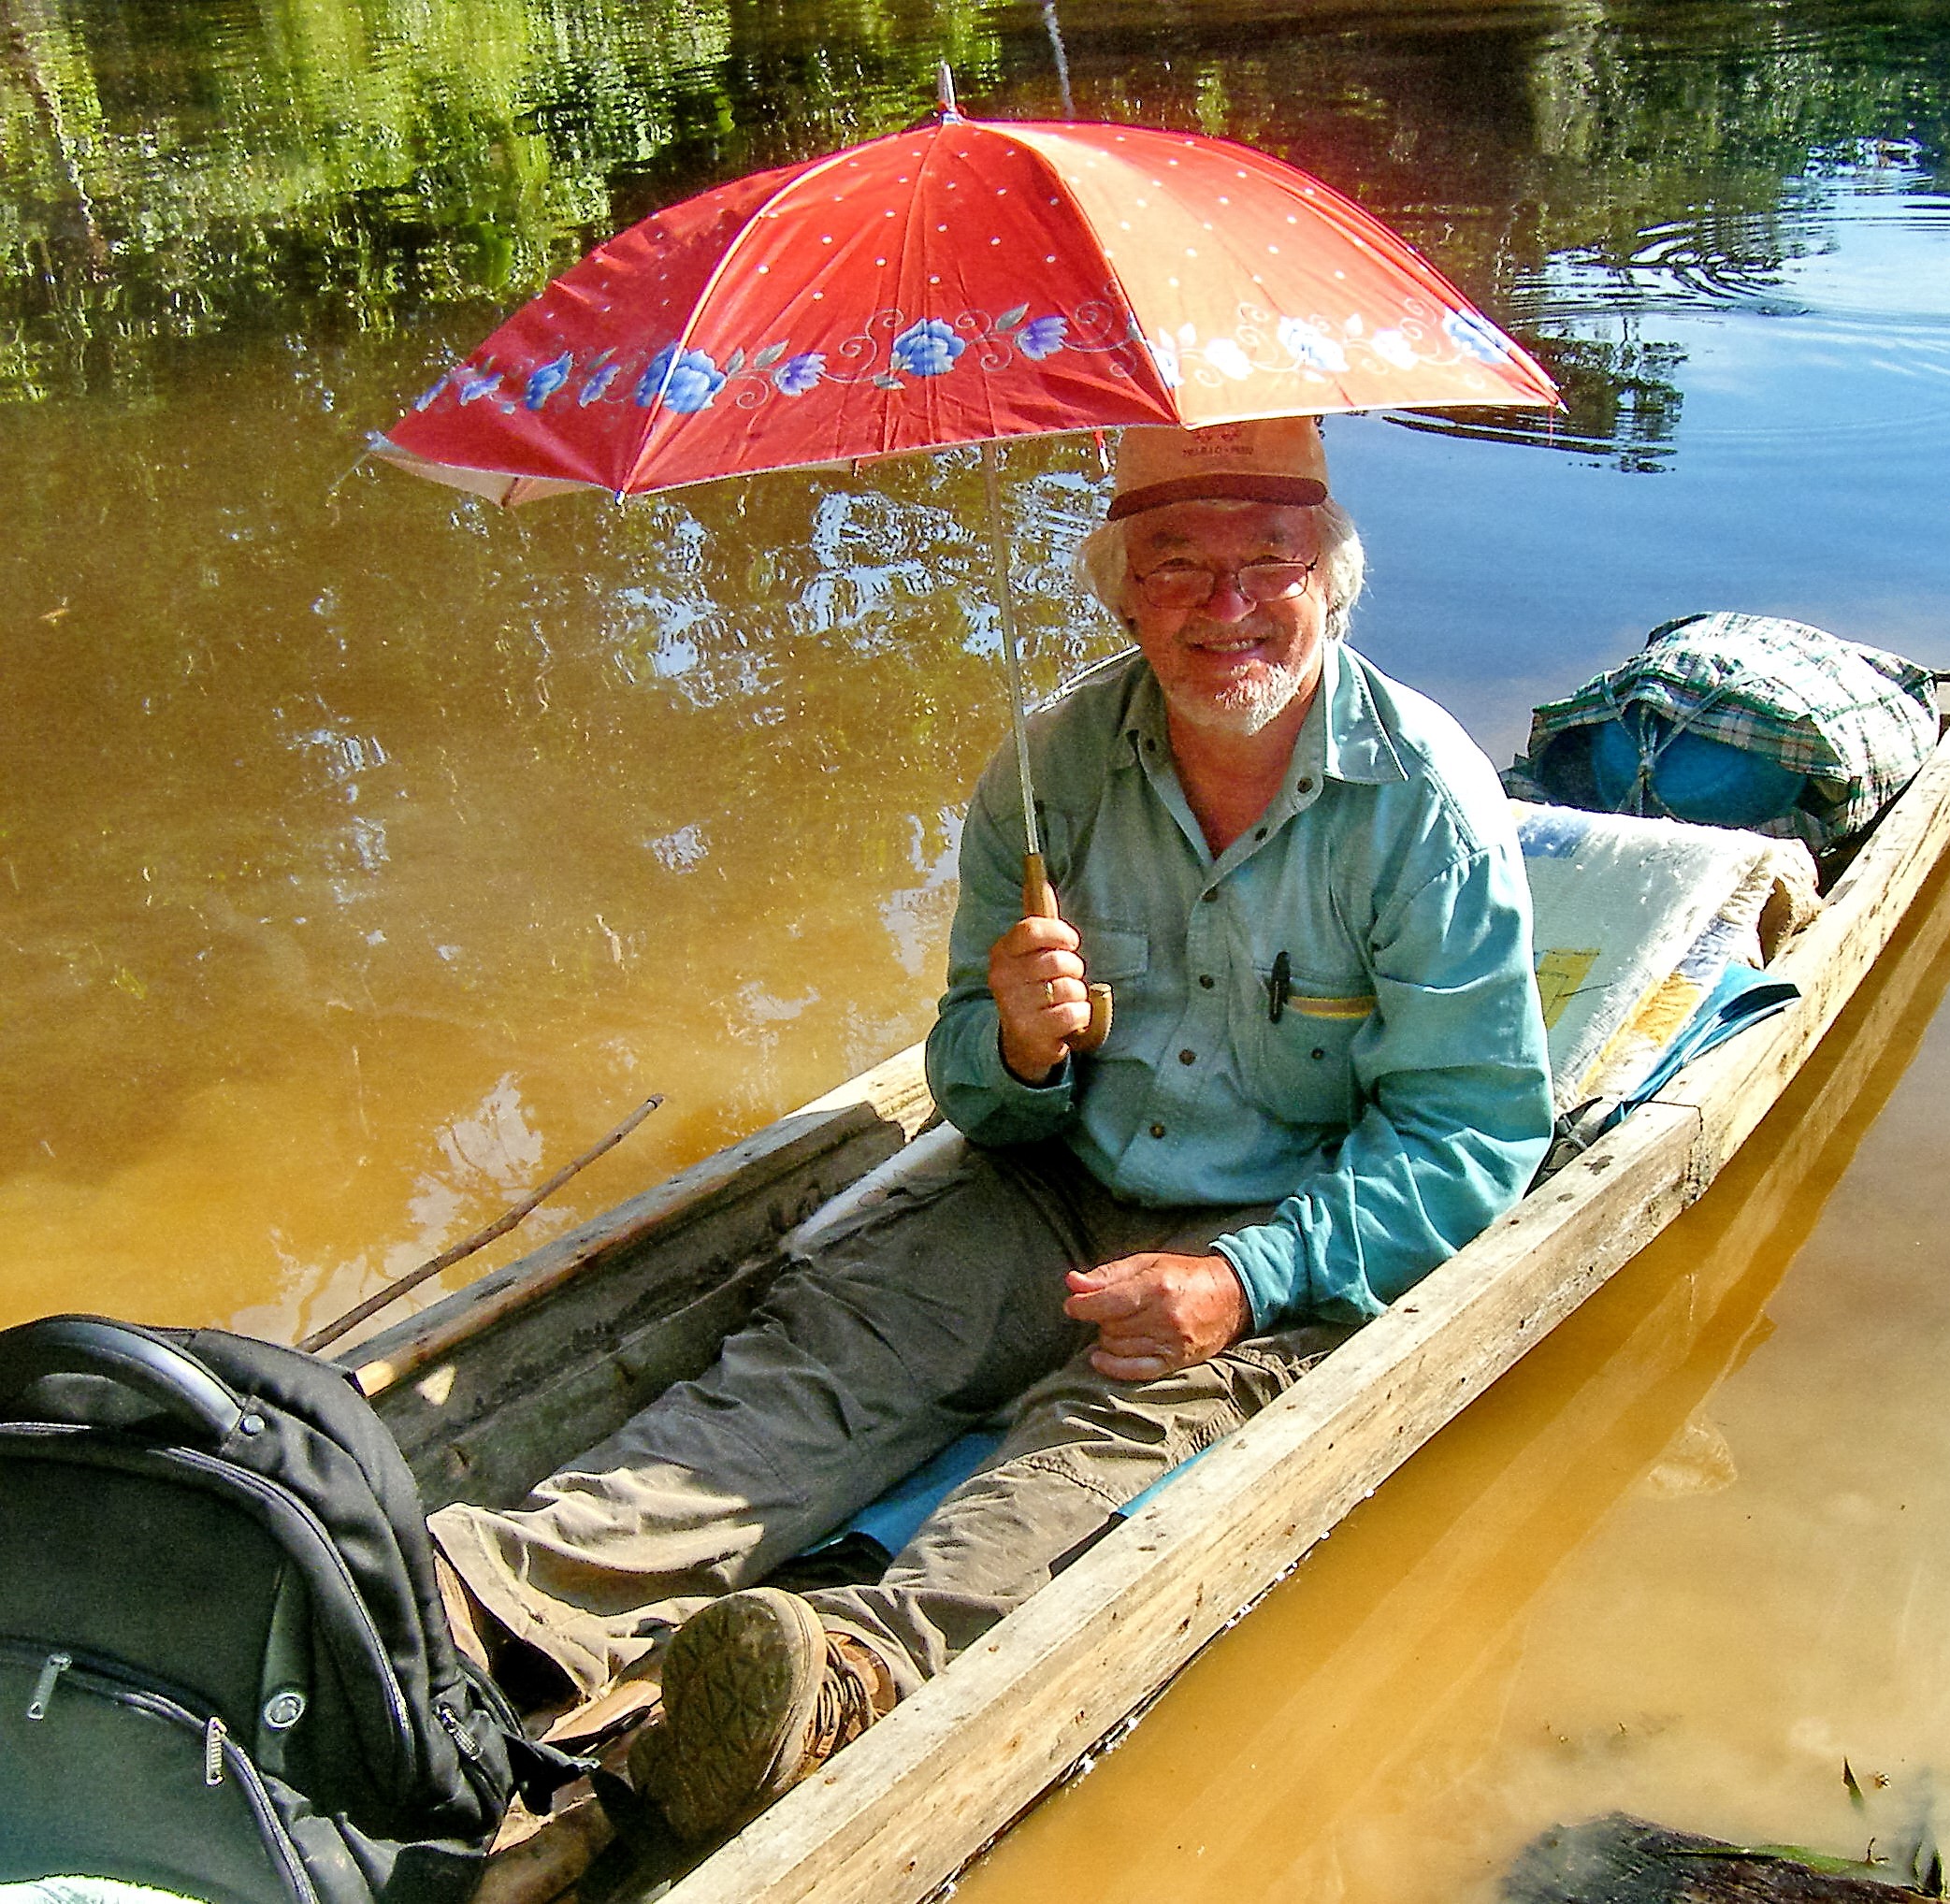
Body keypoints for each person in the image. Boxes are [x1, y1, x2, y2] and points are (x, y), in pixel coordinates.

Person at [427, 417, 1553, 1841]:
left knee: (1101, 1445)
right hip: (1046, 1186)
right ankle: (485, 1603)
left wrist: (1240, 1281)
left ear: (1330, 580)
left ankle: (844, 1687)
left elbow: (1474, 1134)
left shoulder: (1423, 807)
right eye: (1176, 565)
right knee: (835, 1354)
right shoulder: (1050, 772)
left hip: (1280, 1231)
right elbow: (968, 1085)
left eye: (1266, 564)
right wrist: (1016, 1043)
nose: (1224, 609)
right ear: (1120, 591)